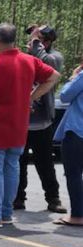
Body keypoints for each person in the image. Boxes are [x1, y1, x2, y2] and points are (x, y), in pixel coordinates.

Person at [0, 23, 60, 228]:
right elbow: (54, 76)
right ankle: (6, 212)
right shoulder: (29, 61)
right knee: (11, 168)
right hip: (18, 126)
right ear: (14, 41)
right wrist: (31, 97)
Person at [15, 24, 66, 213]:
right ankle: (17, 197)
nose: (35, 42)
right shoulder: (26, 57)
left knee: (44, 162)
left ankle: (53, 198)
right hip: (21, 120)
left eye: (41, 39)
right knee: (18, 162)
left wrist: (36, 44)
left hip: (42, 120)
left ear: (49, 41)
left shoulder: (55, 57)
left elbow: (48, 65)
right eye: (35, 39)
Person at [53, 60, 83, 225]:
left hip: (78, 131)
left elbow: (65, 96)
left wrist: (74, 77)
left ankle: (78, 215)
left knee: (74, 173)